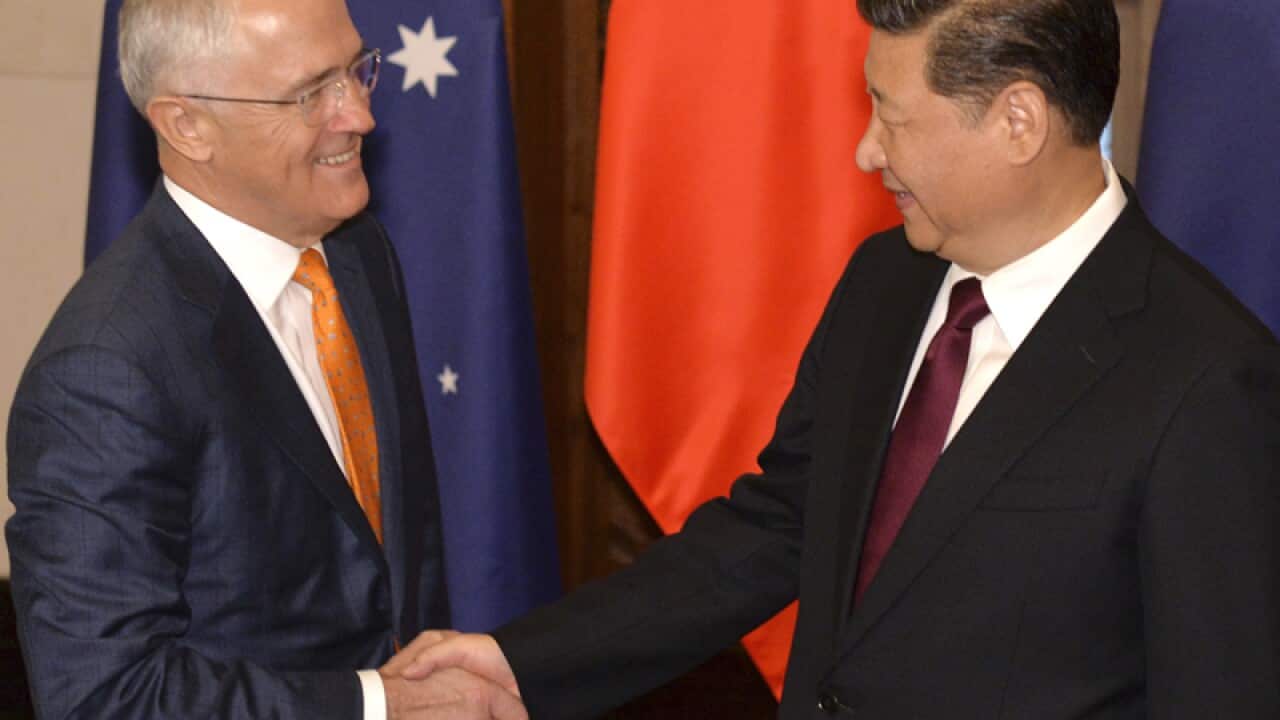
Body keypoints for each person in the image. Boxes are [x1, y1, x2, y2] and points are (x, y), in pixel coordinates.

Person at [390, 0, 1280, 717]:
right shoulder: (884, 280)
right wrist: (520, 662)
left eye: (891, 115)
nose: (865, 150)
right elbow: (780, 524)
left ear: (1019, 121)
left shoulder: (1206, 377)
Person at [5, 0, 525, 718]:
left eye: (355, 72)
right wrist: (377, 704)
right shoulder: (104, 370)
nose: (360, 116)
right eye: (311, 93)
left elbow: (391, 560)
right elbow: (105, 695)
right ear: (188, 125)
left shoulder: (354, 251)